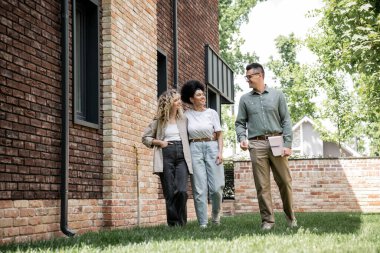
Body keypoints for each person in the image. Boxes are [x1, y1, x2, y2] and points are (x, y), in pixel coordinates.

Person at [235, 63, 297, 231]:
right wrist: (242, 138)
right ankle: (267, 221)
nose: (247, 80)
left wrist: (288, 144)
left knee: (284, 181)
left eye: (249, 77)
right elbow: (240, 123)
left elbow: (286, 121)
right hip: (256, 143)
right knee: (262, 185)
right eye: (246, 77)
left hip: (277, 141)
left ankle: (291, 218)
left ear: (260, 75)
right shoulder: (245, 99)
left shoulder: (277, 95)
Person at [142, 89, 193, 227]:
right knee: (170, 191)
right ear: (169, 103)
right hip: (166, 154)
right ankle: (173, 223)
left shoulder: (184, 119)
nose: (179, 103)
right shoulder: (159, 121)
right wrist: (159, 142)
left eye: (179, 99)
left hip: (182, 155)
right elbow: (145, 138)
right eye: (176, 100)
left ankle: (182, 223)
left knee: (182, 191)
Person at [180, 80, 225, 229]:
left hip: (212, 146)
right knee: (199, 188)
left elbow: (219, 134)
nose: (203, 96)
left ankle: (216, 217)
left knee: (217, 187)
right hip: (195, 148)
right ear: (191, 99)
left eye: (202, 93)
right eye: (198, 94)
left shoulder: (212, 113)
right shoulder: (186, 115)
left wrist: (220, 152)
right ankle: (203, 223)